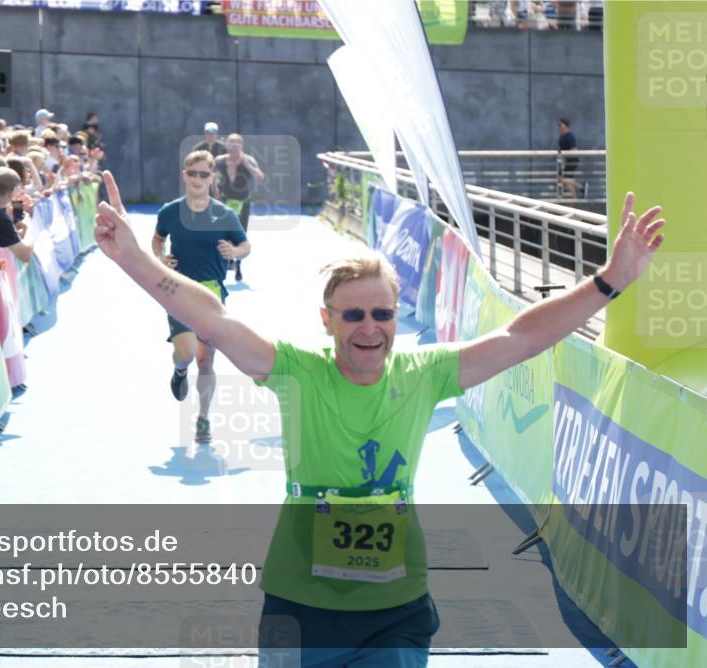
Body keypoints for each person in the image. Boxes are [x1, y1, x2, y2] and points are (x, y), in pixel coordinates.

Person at [94, 175, 666, 666]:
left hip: (395, 612)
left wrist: (609, 279)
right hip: (300, 608)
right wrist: (132, 258)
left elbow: (520, 337)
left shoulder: (425, 373)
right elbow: (213, 319)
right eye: (354, 315)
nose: (370, 327)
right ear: (327, 320)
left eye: (383, 314)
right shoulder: (296, 371)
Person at [152, 151, 250, 443]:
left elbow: (245, 244)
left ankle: (203, 418)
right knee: (186, 353)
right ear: (184, 176)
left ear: (212, 177)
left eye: (203, 174)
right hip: (178, 288)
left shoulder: (224, 213)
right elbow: (158, 239)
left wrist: (234, 252)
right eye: (192, 173)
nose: (197, 179)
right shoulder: (170, 211)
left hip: (211, 292)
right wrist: (160, 257)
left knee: (206, 361)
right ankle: (179, 371)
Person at [214, 133, 266, 282]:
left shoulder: (248, 160)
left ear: (241, 146)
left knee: (240, 233)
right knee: (222, 232)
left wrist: (249, 166)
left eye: (236, 146)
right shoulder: (220, 161)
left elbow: (261, 177)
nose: (233, 149)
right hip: (224, 201)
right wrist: (214, 189)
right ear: (226, 146)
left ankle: (238, 263)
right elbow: (211, 176)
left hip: (242, 202)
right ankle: (226, 262)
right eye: (230, 145)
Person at [557, 117, 579, 199]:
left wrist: (567, 156)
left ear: (565, 126)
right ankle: (580, 188)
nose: (558, 127)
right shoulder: (561, 138)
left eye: (560, 125)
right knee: (564, 180)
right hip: (566, 161)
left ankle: (575, 197)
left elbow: (574, 149)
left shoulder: (569, 136)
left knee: (564, 179)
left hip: (572, 161)